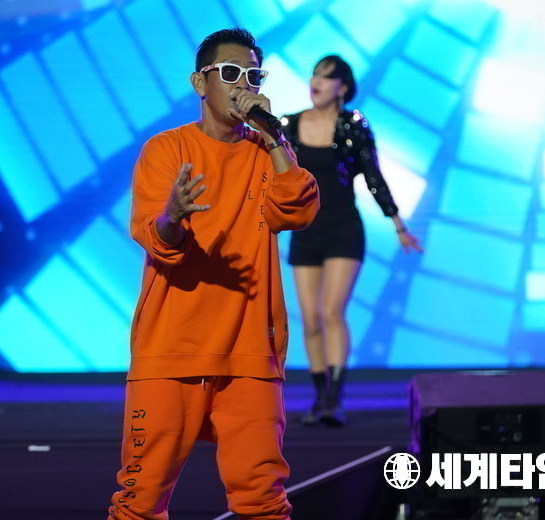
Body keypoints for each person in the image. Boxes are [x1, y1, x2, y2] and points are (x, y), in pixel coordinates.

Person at [108, 28, 319, 520]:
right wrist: (173, 214)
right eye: (229, 73)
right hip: (171, 349)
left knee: (263, 501)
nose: (243, 84)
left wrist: (273, 136)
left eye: (253, 75)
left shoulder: (267, 152)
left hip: (249, 352)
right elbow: (158, 239)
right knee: (140, 500)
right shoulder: (166, 150)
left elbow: (299, 210)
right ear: (200, 83)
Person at [281, 55, 423, 428]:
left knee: (331, 311)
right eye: (314, 74)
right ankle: (319, 396)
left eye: (326, 77)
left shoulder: (353, 125)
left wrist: (397, 223)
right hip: (305, 229)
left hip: (343, 227)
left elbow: (373, 175)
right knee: (310, 318)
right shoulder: (288, 125)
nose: (316, 82)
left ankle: (334, 399)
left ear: (342, 87)